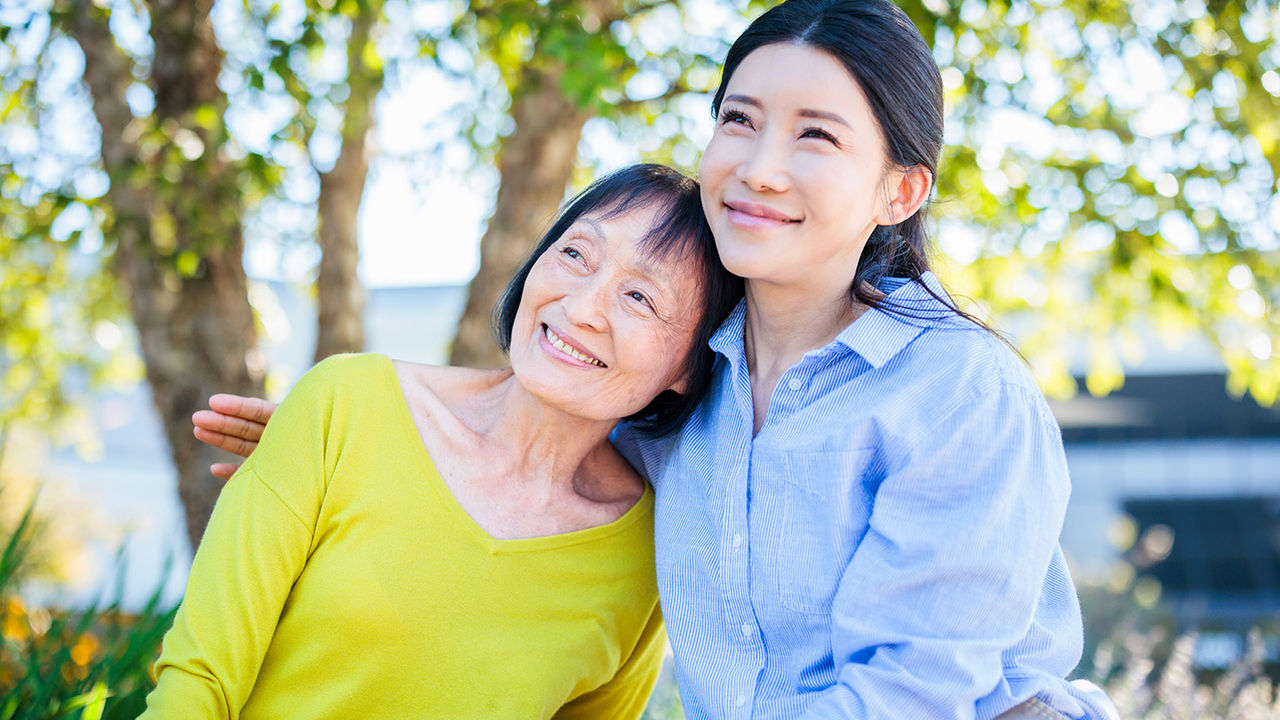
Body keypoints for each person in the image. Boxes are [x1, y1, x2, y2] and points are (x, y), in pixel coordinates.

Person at [193, 1, 1121, 718]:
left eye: (816, 136)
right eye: (740, 120)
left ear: (900, 188)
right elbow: (540, 442)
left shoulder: (957, 390)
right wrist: (355, 450)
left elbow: (910, 696)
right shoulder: (682, 384)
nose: (759, 166)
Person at [141, 164, 742, 719]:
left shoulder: (647, 557)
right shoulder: (343, 404)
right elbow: (198, 685)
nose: (582, 306)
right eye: (577, 253)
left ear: (694, 364)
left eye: (640, 296)